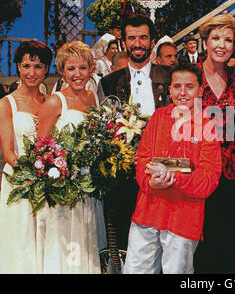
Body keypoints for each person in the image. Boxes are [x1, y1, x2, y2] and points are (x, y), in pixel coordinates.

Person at [123, 64, 222, 274]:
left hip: (184, 218)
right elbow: (142, 159)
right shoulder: (158, 118)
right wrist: (149, 182)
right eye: (177, 86)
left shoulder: (209, 126)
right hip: (147, 213)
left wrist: (174, 179)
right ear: (169, 89)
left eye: (189, 87)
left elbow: (208, 180)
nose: (183, 93)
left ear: (200, 90)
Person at [97, 14, 172, 252]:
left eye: (143, 37)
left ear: (152, 42)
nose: (137, 43)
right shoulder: (108, 83)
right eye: (132, 38)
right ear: (124, 42)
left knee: (164, 241)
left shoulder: (169, 77)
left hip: (162, 171)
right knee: (125, 241)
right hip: (124, 175)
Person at [35, 41, 106, 273]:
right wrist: (62, 175)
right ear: (62, 71)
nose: (77, 74)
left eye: (83, 68)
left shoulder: (93, 99)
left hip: (90, 189)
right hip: (64, 191)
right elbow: (40, 150)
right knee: (65, 246)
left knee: (87, 244)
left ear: (91, 69)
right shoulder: (55, 102)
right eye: (71, 69)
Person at [192, 14, 235, 273]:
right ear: (205, 42)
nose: (221, 45)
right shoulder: (189, 76)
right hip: (197, 173)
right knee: (198, 246)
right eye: (215, 38)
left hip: (232, 173)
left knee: (231, 242)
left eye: (228, 39)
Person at [0, 40, 52, 273]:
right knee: (19, 241)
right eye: (26, 66)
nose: (32, 73)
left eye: (38, 66)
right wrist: (33, 172)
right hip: (18, 182)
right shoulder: (6, 103)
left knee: (45, 239)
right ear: (18, 67)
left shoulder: (50, 102)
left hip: (49, 182)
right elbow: (9, 153)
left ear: (46, 70)